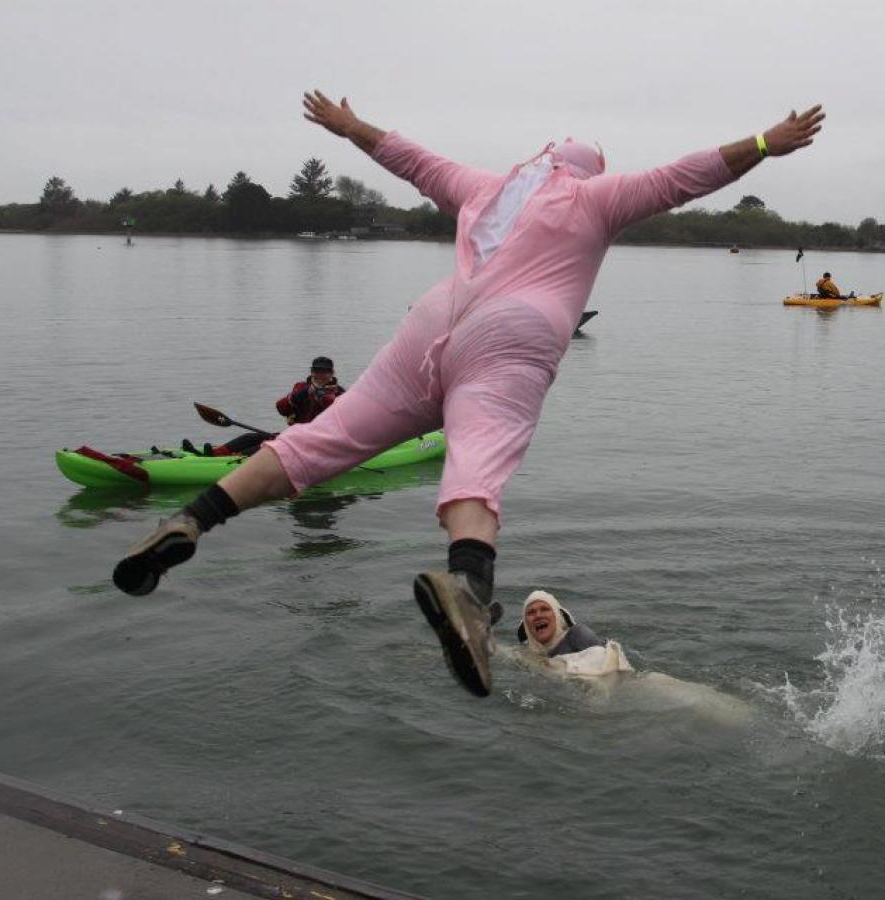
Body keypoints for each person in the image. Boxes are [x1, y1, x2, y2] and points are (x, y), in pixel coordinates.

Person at [112, 89, 825, 699]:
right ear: (588, 169)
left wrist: (348, 125)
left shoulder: (483, 188)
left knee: (316, 445)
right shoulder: (595, 194)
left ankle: (194, 519)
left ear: (541, 155)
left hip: (431, 326)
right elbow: (685, 176)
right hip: (511, 336)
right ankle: (466, 589)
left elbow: (406, 154)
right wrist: (767, 141)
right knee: (478, 458)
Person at [181, 357, 345, 457]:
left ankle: (235, 460)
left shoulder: (339, 393)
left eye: (324, 372)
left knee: (266, 446)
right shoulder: (301, 387)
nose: (319, 375)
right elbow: (281, 408)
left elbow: (335, 415)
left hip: (317, 442)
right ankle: (215, 454)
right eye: (316, 371)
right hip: (294, 436)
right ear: (312, 371)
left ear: (332, 373)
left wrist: (321, 396)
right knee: (251, 437)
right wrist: (302, 394)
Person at [516, 590, 633, 676]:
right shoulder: (527, 654)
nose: (538, 616)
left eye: (545, 609)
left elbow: (606, 665)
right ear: (526, 625)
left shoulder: (577, 634)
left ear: (557, 616)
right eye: (531, 612)